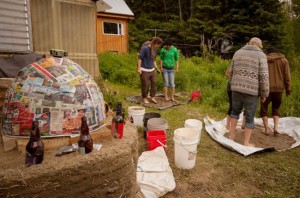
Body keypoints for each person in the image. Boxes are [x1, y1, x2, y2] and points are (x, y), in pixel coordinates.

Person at [228, 37, 269, 147]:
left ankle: (231, 137)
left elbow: (230, 72)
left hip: (236, 89)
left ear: (249, 43)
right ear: (259, 46)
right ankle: (246, 143)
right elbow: (264, 77)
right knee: (250, 117)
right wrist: (264, 94)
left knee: (234, 112)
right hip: (251, 92)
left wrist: (233, 85)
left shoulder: (237, 52)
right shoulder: (261, 56)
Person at [259, 47, 292, 135]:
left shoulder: (263, 60)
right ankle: (275, 128)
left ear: (267, 53)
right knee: (276, 108)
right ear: (275, 52)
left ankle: (266, 130)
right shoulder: (283, 60)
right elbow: (287, 76)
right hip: (279, 89)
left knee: (264, 109)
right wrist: (288, 89)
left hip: (266, 88)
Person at [138, 37, 163, 104]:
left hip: (151, 70)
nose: (158, 47)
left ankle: (152, 97)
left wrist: (157, 68)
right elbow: (140, 59)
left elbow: (153, 60)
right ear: (155, 43)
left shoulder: (155, 50)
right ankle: (144, 98)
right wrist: (139, 68)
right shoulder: (145, 48)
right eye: (158, 45)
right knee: (145, 85)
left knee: (154, 83)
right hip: (144, 70)